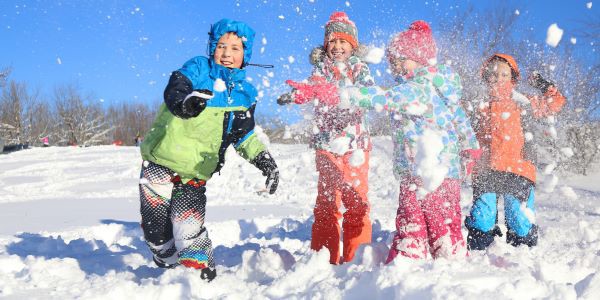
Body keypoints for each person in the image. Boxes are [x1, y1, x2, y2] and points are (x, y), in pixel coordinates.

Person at [138, 18, 279, 281]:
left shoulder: (245, 93)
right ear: (212, 47)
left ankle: (201, 275)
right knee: (156, 231)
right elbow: (176, 87)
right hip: (160, 161)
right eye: (221, 46)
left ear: (245, 55)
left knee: (188, 229)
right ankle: (167, 265)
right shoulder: (199, 68)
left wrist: (265, 162)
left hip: (195, 174)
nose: (227, 54)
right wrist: (184, 104)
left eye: (235, 49)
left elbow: (244, 135)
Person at [340, 20, 479, 260]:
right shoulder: (441, 91)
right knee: (445, 222)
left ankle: (408, 261)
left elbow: (383, 98)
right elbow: (462, 121)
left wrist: (351, 95)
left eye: (400, 60)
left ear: (420, 60)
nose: (395, 68)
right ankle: (450, 261)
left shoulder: (417, 87)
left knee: (413, 219)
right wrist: (470, 149)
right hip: (445, 173)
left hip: (423, 172)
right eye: (392, 62)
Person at [278, 12, 375, 264]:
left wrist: (340, 93)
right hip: (326, 144)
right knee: (327, 201)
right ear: (325, 45)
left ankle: (357, 256)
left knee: (356, 200)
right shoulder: (320, 69)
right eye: (332, 41)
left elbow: (369, 93)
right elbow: (312, 88)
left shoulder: (359, 68)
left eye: (343, 41)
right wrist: (297, 94)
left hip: (355, 145)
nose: (337, 47)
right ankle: (323, 257)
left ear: (352, 45)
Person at [464, 53, 566, 250]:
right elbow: (460, 122)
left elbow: (555, 103)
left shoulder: (523, 102)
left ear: (512, 77)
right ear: (486, 77)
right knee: (482, 217)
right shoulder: (480, 104)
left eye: (504, 74)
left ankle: (523, 255)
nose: (498, 78)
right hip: (486, 168)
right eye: (493, 73)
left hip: (518, 168)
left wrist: (546, 87)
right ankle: (478, 255)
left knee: (519, 218)